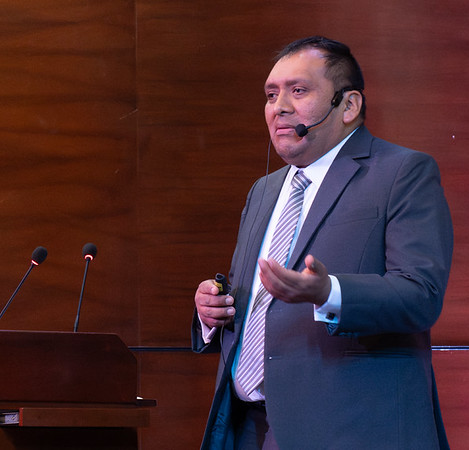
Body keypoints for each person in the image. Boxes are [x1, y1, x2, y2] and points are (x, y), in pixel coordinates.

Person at [192, 36, 453, 449]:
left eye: (298, 91)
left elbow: (421, 295)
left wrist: (328, 292)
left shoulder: (402, 172)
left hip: (348, 430)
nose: (279, 107)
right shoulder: (263, 191)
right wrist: (213, 311)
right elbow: (260, 305)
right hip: (248, 429)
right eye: (271, 95)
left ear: (348, 106)